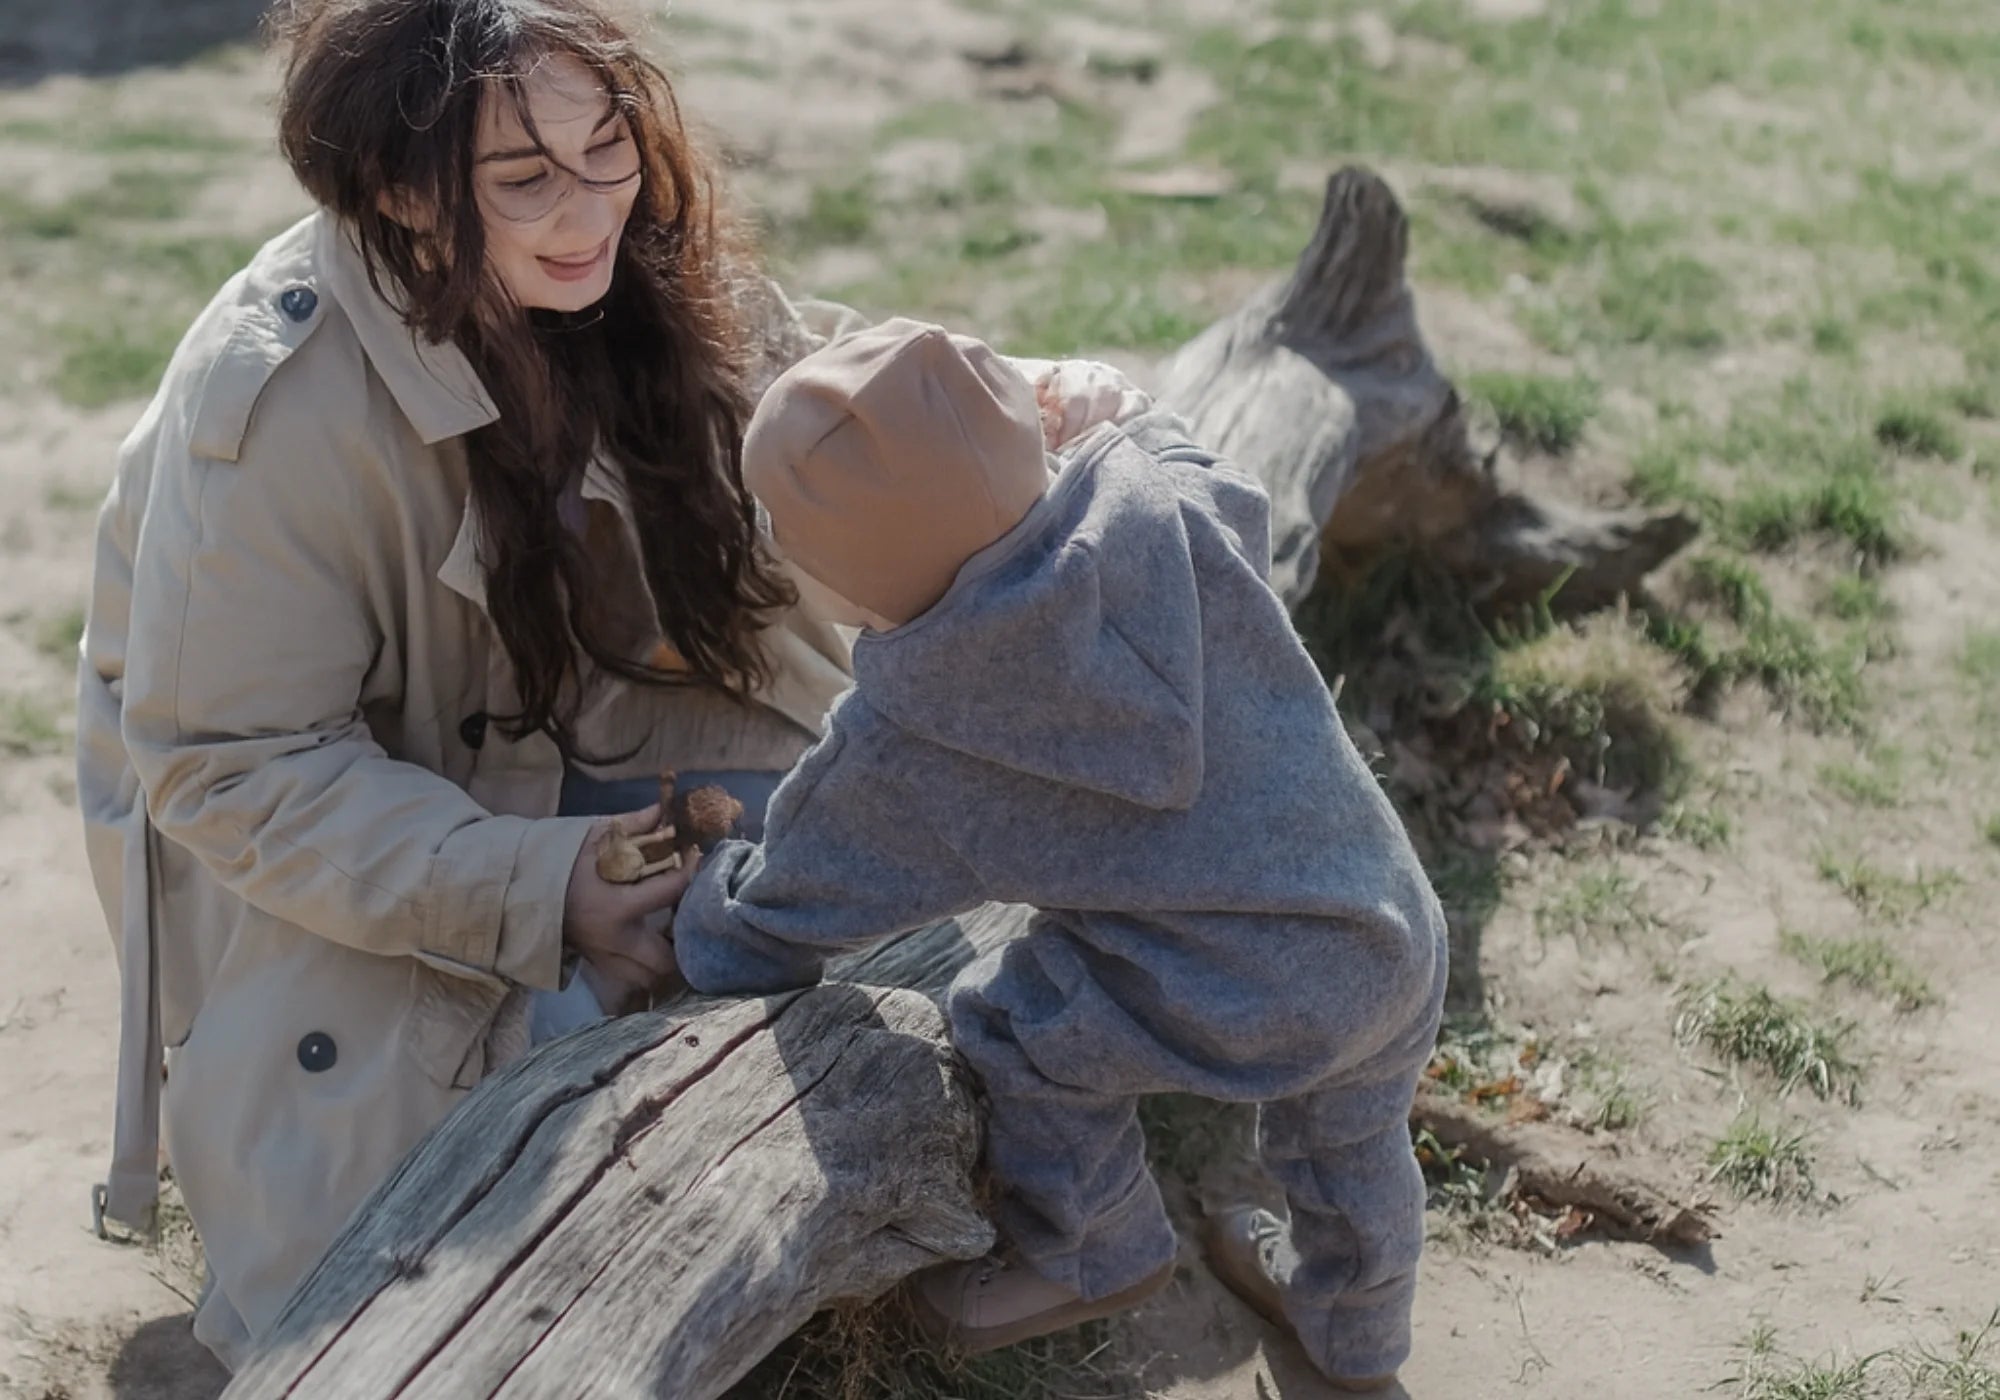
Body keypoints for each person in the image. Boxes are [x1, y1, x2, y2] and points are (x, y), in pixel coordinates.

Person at [73, 0, 864, 1368]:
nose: (586, 209)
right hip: (321, 861)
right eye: (523, 179)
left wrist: (1031, 413)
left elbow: (826, 374)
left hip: (555, 734)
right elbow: (225, 766)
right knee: (451, 1203)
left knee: (869, 890)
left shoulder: (638, 255)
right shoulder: (272, 403)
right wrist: (544, 886)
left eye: (608, 146)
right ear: (399, 188)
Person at [670, 318, 1450, 1391]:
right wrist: (1115, 409)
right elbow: (1193, 457)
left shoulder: (915, 737)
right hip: (1385, 917)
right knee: (1351, 1139)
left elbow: (793, 897)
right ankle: (1354, 1337)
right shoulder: (1162, 506)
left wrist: (708, 909)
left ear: (842, 580)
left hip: (1234, 989)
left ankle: (1093, 1242)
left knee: (1014, 1021)